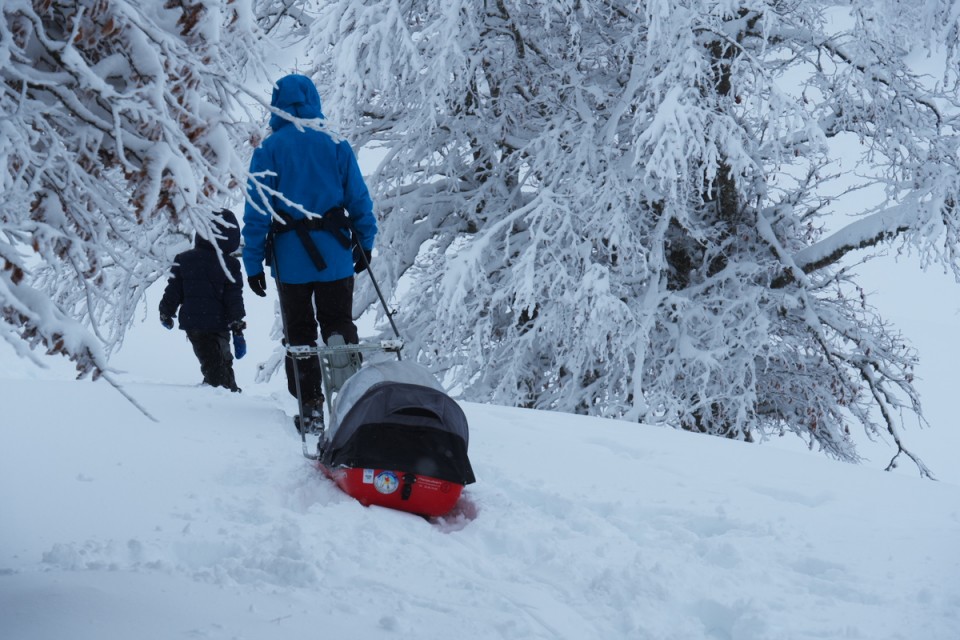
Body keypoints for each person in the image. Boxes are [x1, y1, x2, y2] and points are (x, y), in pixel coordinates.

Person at [241, 74, 377, 431]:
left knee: (299, 334)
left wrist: (253, 263)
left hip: (291, 262)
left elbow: (257, 213)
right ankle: (351, 400)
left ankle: (312, 406)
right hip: (334, 256)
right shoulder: (335, 144)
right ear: (314, 100)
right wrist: (366, 242)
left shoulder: (268, 151)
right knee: (339, 324)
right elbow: (359, 200)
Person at [159, 208, 247, 392]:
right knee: (221, 360)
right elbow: (234, 297)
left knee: (213, 361)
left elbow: (174, 290)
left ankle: (229, 391)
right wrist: (237, 327)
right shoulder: (230, 264)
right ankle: (221, 393)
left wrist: (166, 312)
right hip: (219, 324)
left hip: (195, 324)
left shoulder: (184, 259)